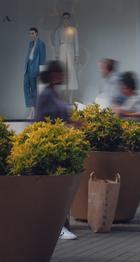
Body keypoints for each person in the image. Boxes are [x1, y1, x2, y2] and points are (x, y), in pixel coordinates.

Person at [36, 60, 77, 240]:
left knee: (62, 188)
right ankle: (58, 227)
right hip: (50, 148)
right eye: (60, 74)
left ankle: (62, 225)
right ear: (53, 76)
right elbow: (46, 122)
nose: (63, 77)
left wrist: (74, 123)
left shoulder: (54, 94)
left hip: (59, 147)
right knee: (57, 189)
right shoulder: (46, 95)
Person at [55, 12, 79, 103]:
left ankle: (71, 96)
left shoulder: (73, 30)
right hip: (62, 50)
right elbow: (57, 43)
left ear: (69, 19)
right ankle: (63, 95)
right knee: (62, 71)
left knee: (71, 71)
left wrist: (77, 55)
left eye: (67, 18)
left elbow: (76, 42)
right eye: (64, 18)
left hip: (70, 50)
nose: (66, 20)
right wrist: (57, 55)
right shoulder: (59, 30)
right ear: (62, 19)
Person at [24, 27, 46, 118]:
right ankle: (32, 107)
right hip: (28, 68)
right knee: (26, 87)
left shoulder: (41, 44)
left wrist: (41, 71)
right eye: (30, 34)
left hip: (35, 70)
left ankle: (33, 111)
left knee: (34, 90)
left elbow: (42, 58)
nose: (31, 35)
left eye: (32, 33)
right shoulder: (30, 43)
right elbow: (29, 56)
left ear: (37, 34)